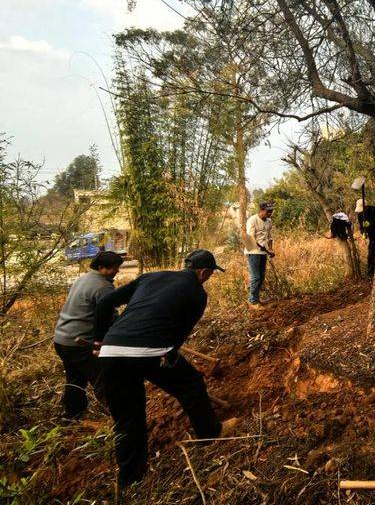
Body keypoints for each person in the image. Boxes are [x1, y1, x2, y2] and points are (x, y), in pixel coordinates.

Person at [94, 250, 238, 489]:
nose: (210, 276)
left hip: (110, 352)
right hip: (149, 351)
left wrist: (100, 340)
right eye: (211, 272)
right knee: (191, 384)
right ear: (203, 272)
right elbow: (180, 332)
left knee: (128, 420)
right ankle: (209, 432)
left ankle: (131, 481)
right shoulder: (198, 293)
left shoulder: (151, 276)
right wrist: (169, 355)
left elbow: (105, 303)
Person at [52, 250, 123, 419]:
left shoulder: (83, 278)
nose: (117, 271)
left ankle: (73, 414)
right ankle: (118, 416)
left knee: (75, 378)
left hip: (62, 340)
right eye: (114, 268)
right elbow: (110, 315)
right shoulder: (103, 286)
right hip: (81, 343)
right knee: (103, 377)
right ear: (101, 267)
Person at [243, 202, 275, 306]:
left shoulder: (269, 221)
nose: (270, 213)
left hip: (263, 252)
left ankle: (256, 299)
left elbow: (270, 237)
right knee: (256, 277)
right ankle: (252, 302)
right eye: (268, 211)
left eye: (271, 211)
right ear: (261, 210)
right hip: (252, 251)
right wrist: (265, 249)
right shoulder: (252, 220)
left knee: (261, 277)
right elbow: (250, 239)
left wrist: (270, 249)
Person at [355, 198, 375, 278]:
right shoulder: (360, 215)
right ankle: (371, 273)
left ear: (366, 206)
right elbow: (361, 226)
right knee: (371, 254)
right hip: (372, 237)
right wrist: (363, 232)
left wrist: (370, 224)